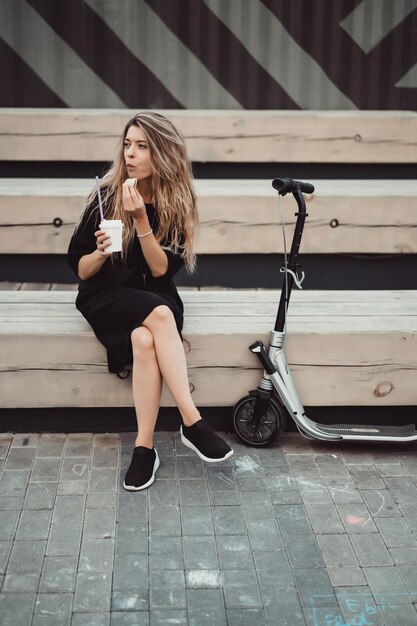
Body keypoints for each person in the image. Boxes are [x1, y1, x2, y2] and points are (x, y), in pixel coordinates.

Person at [68, 111, 233, 491]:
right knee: (159, 316)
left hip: (153, 292)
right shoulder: (106, 195)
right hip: (106, 295)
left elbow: (161, 270)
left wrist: (141, 221)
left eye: (141, 146)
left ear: (161, 153)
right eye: (127, 144)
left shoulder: (176, 200)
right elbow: (81, 270)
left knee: (145, 339)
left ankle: (144, 447)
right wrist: (101, 252)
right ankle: (192, 421)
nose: (131, 153)